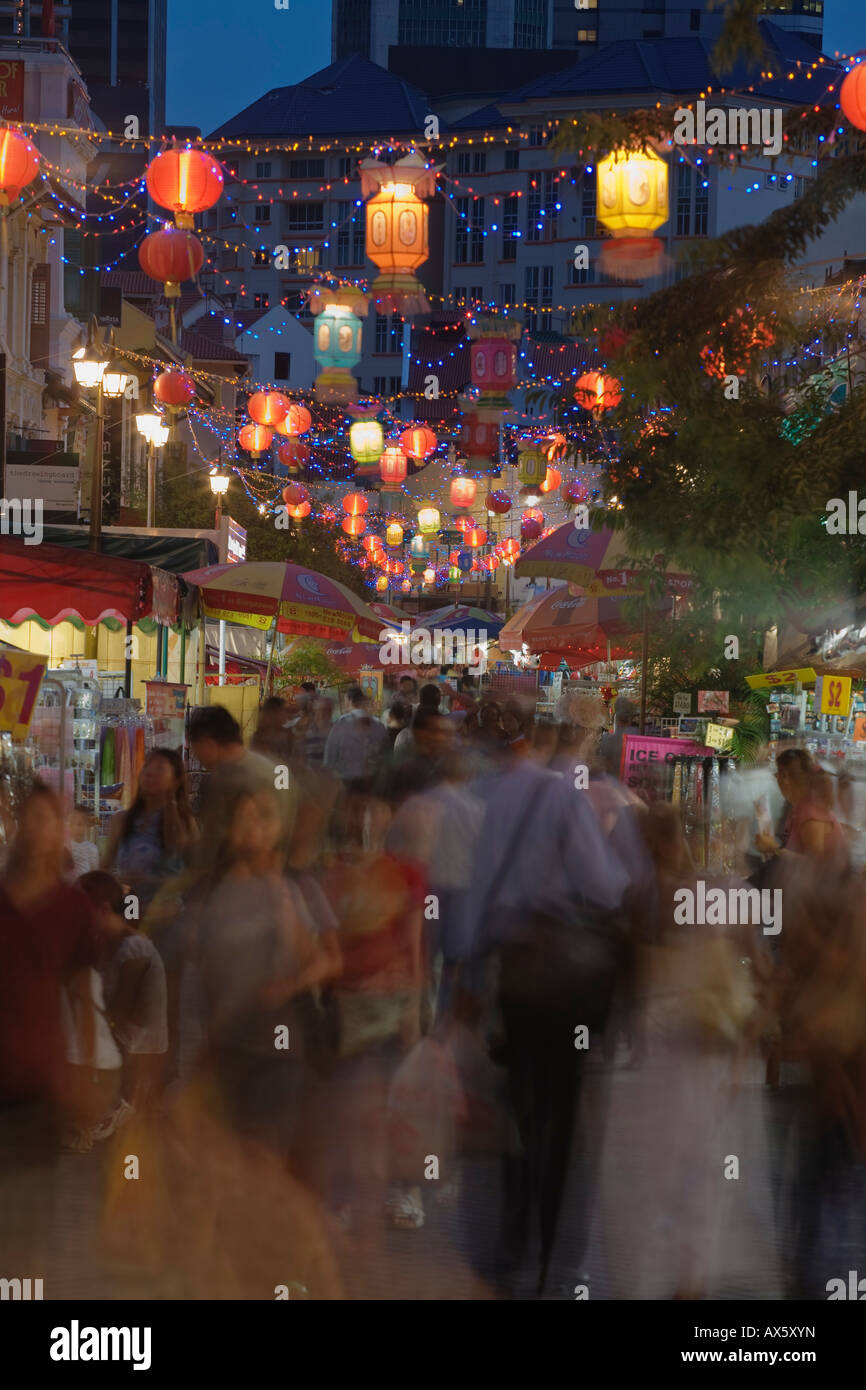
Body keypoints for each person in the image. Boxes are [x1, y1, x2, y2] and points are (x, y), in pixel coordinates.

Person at [0, 786, 99, 1266]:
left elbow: (82, 995)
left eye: (48, 820)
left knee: (29, 1221)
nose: (38, 830)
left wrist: (83, 1067)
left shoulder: (72, 908)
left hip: (41, 1081)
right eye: (30, 818)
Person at [80, 870, 168, 1126]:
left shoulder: (134, 949)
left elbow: (120, 1015)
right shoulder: (107, 942)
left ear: (104, 910)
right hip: (121, 1041)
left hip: (136, 1050)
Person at [189, 704, 292, 863]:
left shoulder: (226, 780)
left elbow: (214, 847)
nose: (197, 758)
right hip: (277, 869)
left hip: (245, 875)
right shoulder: (275, 767)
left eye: (195, 749)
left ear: (207, 744)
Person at [102, 748, 198, 908]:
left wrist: (153, 881)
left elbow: (196, 874)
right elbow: (104, 868)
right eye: (146, 766)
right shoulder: (122, 820)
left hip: (168, 915)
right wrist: (117, 882)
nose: (149, 772)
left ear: (175, 781)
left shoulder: (185, 823)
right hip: (130, 908)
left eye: (159, 768)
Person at [756, 747, 848, 872]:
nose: (776, 778)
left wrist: (773, 848)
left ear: (785, 776)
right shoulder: (800, 808)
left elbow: (816, 866)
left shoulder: (811, 812)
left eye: (776, 774)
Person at [323, 685, 390, 789]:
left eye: (345, 700)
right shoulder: (378, 725)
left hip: (347, 780)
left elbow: (330, 754)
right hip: (372, 780)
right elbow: (386, 754)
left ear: (349, 701)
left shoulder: (342, 723)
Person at [393, 683, 442, 759]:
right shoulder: (446, 733)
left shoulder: (404, 735)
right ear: (439, 700)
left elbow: (397, 762)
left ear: (420, 699)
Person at [598, 696, 640, 780]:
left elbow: (603, 761)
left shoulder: (607, 739)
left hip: (612, 780)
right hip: (630, 778)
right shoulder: (637, 736)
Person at [252, 696, 294, 765]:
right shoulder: (259, 738)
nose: (288, 714)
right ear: (274, 713)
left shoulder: (289, 734)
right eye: (285, 710)